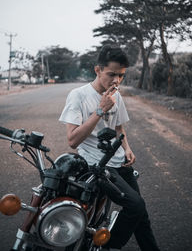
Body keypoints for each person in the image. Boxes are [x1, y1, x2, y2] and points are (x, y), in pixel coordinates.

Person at [59, 45, 160, 251]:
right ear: (97, 70)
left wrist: (127, 147)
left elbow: (118, 125)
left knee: (141, 215)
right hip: (97, 165)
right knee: (135, 206)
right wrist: (100, 109)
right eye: (111, 74)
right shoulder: (78, 95)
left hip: (118, 160)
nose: (116, 80)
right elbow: (72, 140)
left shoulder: (116, 95)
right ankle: (107, 245)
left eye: (121, 75)